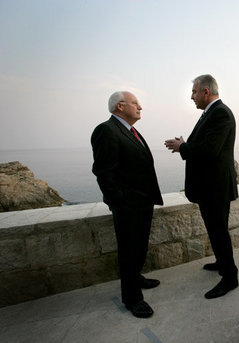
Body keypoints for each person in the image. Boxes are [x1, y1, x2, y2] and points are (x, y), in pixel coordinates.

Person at [164, 74, 239, 299]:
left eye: (194, 92)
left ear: (206, 91)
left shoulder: (221, 114)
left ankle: (230, 277)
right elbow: (205, 144)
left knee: (219, 232)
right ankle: (221, 262)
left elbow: (210, 151)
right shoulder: (211, 113)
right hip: (210, 188)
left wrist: (182, 148)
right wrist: (186, 144)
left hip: (215, 188)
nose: (191, 97)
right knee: (215, 231)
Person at [91, 91, 163, 318]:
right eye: (135, 103)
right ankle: (132, 298)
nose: (140, 107)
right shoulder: (107, 130)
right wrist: (120, 202)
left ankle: (136, 278)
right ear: (120, 106)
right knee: (129, 251)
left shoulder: (130, 130)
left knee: (139, 246)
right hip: (128, 206)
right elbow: (104, 172)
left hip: (142, 202)